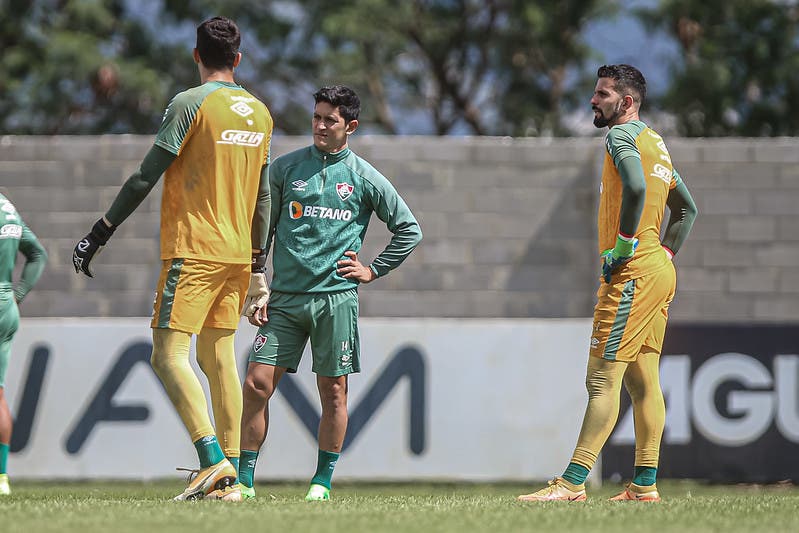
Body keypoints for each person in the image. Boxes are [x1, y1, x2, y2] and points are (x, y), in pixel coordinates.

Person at [72, 16, 273, 502]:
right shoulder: (260, 112)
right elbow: (263, 196)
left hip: (194, 248)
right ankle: (234, 482)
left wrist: (101, 230)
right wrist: (258, 264)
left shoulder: (190, 102)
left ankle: (211, 462)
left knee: (166, 355)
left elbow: (145, 175)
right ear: (239, 59)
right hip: (237, 257)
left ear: (196, 56)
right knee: (217, 355)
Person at [518, 64, 697, 502]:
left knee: (602, 380)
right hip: (659, 268)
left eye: (602, 94)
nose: (593, 101)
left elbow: (635, 186)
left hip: (633, 272)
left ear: (627, 102)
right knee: (644, 382)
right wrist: (665, 253)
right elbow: (688, 210)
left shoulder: (620, 137)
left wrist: (622, 246)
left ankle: (572, 483)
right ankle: (644, 485)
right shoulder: (656, 141)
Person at [237, 85, 422, 501]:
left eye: (330, 119)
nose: (320, 125)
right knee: (256, 383)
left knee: (333, 392)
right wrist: (256, 282)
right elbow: (260, 226)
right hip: (283, 300)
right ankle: (245, 481)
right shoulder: (285, 170)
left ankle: (321, 482)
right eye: (316, 116)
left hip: (335, 300)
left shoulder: (362, 176)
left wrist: (372, 270)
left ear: (350, 126)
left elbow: (409, 229)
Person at [0, 191, 47, 496]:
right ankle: (1, 477)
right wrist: (16, 296)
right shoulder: (7, 208)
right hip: (5, 306)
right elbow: (38, 255)